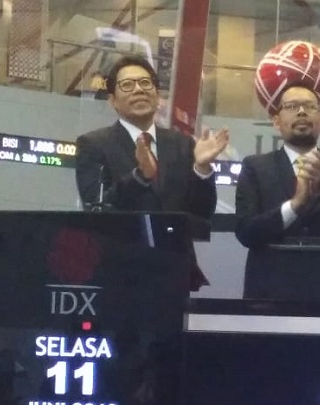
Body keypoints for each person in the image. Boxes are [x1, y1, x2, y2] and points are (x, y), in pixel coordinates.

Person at [75, 55, 228, 290]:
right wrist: (139, 177)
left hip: (174, 272)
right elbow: (97, 208)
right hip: (118, 272)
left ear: (157, 96)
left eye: (145, 83)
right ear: (113, 101)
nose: (139, 89)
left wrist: (202, 169)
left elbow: (201, 212)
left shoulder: (182, 144)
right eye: (127, 85)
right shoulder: (94, 144)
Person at [235, 81, 320, 297]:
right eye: (291, 106)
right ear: (276, 121)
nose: (301, 112)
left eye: (309, 106)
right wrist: (294, 205)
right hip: (270, 288)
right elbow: (246, 232)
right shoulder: (256, 167)